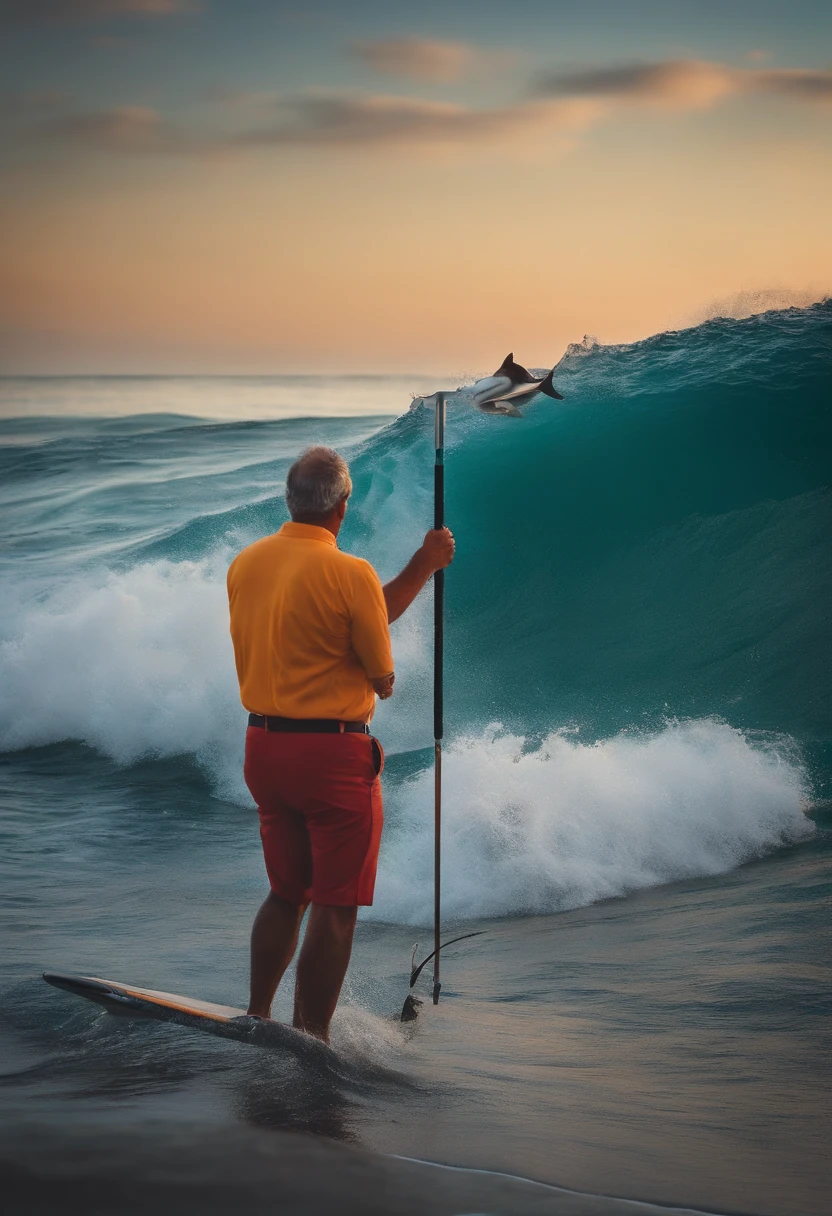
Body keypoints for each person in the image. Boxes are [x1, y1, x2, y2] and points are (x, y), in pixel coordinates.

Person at [227, 446, 454, 1043]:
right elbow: (380, 671)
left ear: (290, 500)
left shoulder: (246, 563)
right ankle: (312, 1037)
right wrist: (427, 566)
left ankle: (257, 1014)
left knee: (286, 890)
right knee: (334, 902)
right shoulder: (350, 573)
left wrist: (417, 570)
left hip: (262, 749)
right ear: (343, 506)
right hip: (330, 758)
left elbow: (322, 616)